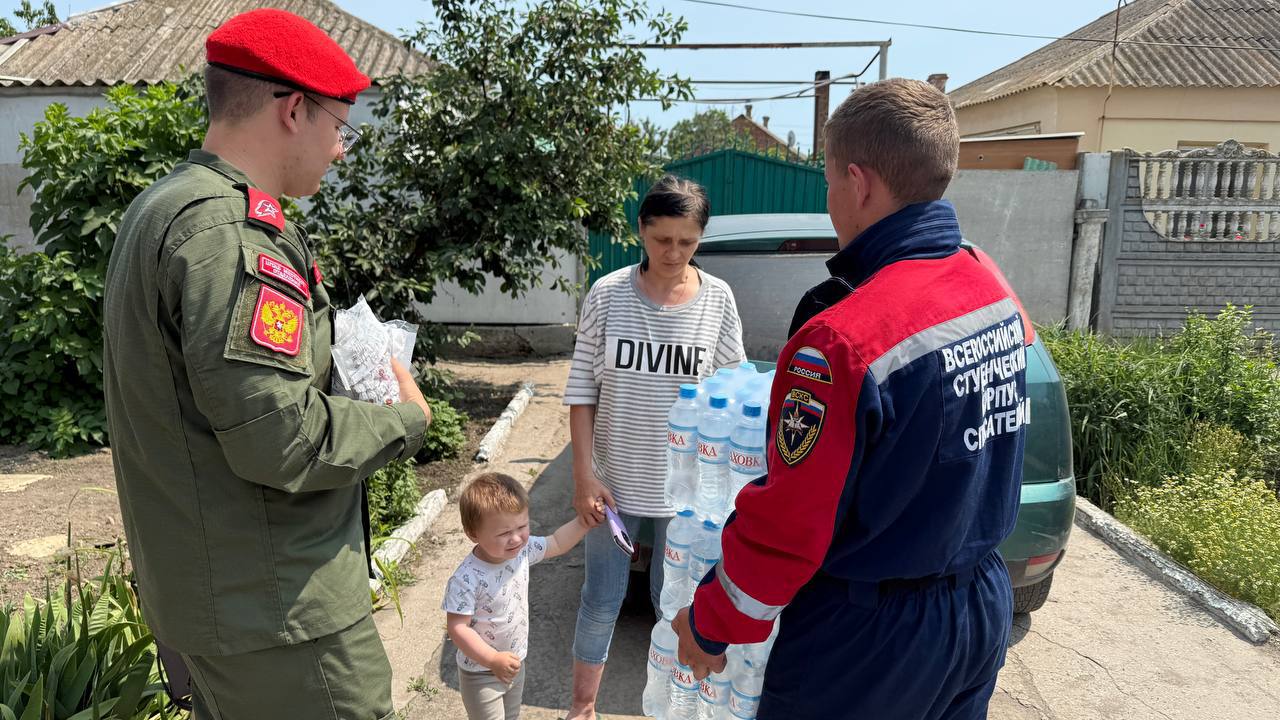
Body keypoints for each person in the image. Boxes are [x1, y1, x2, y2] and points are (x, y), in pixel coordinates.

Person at [102, 9, 432, 719]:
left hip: (226, 594)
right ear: (292, 110)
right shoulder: (231, 232)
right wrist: (405, 420)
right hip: (278, 610)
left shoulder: (162, 207)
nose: (340, 150)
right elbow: (281, 439)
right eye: (340, 127)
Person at [671, 78, 1032, 720]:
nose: (831, 199)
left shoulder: (840, 341)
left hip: (872, 642)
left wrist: (709, 625)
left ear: (860, 183)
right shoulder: (990, 288)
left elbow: (788, 526)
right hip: (978, 609)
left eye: (831, 181)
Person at [562, 175, 746, 719]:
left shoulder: (717, 300)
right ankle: (582, 707)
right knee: (602, 598)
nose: (673, 252)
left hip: (685, 497)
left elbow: (730, 392)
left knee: (678, 604)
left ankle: (674, 706)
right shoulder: (607, 293)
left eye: (687, 241)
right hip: (612, 490)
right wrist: (583, 475)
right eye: (662, 239)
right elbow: (580, 392)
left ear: (700, 238)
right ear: (641, 230)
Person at [444, 473, 591, 720]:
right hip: (481, 672)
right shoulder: (467, 578)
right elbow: (457, 628)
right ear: (473, 534)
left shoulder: (521, 552)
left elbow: (556, 542)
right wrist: (492, 659)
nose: (515, 538)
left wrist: (583, 523)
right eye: (503, 533)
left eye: (522, 527)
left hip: (513, 662)